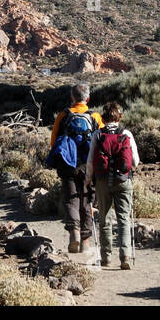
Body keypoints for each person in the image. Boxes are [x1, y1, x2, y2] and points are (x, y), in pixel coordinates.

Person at [46, 83, 103, 254]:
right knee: (87, 200)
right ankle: (85, 242)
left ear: (72, 97)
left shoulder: (64, 115)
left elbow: (54, 141)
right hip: (89, 164)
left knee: (71, 199)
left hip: (68, 163)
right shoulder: (95, 116)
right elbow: (101, 142)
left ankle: (74, 234)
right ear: (88, 98)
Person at [86, 101, 140, 269]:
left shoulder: (97, 135)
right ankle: (125, 256)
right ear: (119, 117)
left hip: (102, 181)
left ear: (103, 117)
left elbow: (90, 162)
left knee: (105, 219)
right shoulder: (127, 134)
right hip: (124, 181)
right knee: (124, 219)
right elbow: (135, 162)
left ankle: (106, 257)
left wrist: (88, 179)